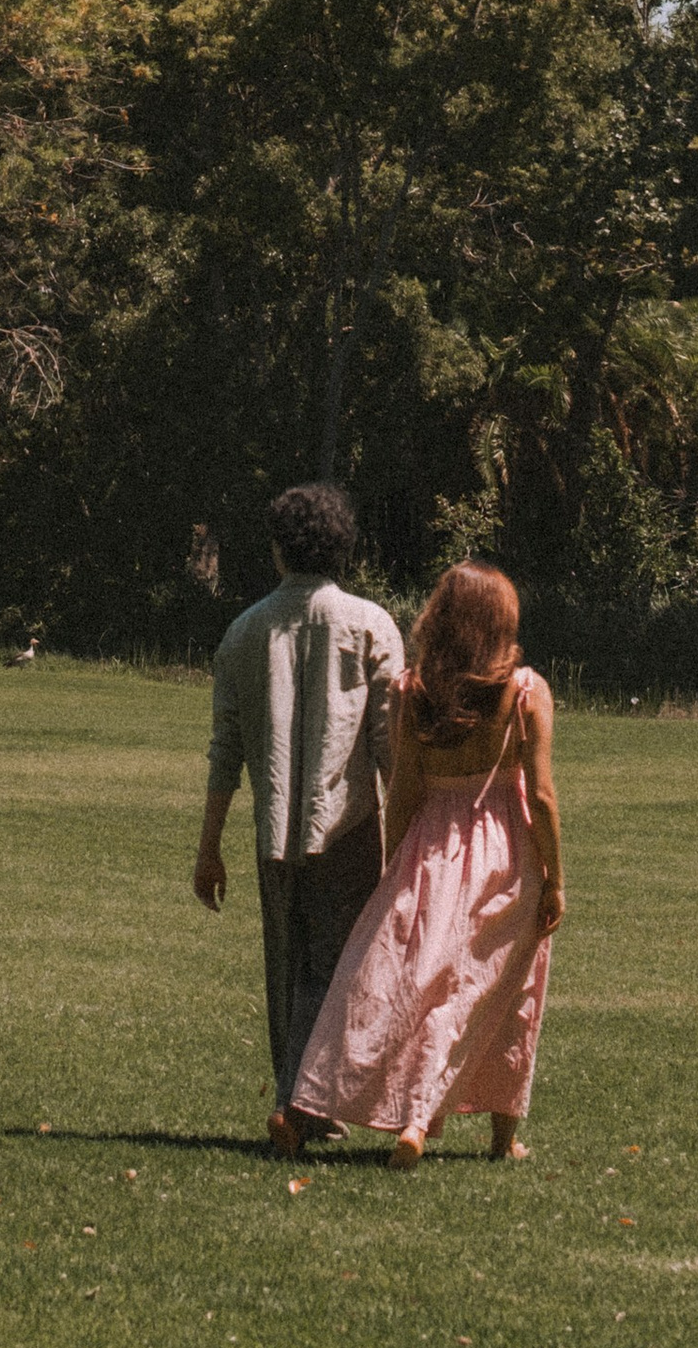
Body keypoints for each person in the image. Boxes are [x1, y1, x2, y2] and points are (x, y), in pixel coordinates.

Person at [279, 557, 563, 1167]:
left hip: (429, 848)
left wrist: (394, 868)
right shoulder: (526, 692)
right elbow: (539, 796)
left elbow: (404, 790)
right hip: (503, 849)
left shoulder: (413, 692)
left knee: (390, 980)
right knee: (504, 988)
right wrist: (556, 880)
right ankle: (484, 1134)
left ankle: (311, 1103)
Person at [191, 482, 403, 1142]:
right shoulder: (372, 623)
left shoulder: (243, 630)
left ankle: (303, 1100)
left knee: (288, 965)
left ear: (280, 546)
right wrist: (410, 835)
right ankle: (300, 1102)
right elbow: (390, 745)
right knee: (339, 965)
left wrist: (208, 845)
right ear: (342, 546)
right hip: (350, 824)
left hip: (273, 825)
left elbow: (225, 750)